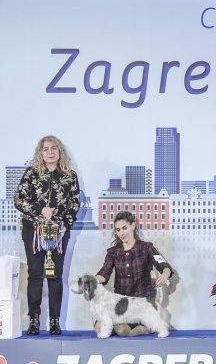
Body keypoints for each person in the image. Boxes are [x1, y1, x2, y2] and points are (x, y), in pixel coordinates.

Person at [14, 135, 82, 336]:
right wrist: (39, 209)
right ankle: (34, 320)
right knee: (35, 274)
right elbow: (18, 199)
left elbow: (75, 203)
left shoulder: (70, 175)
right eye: (46, 149)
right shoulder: (31, 173)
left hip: (59, 231)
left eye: (54, 148)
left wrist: (65, 224)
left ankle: (54, 321)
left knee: (55, 275)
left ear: (60, 151)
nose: (50, 152)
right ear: (40, 153)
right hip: (33, 230)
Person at [94, 210, 174, 336]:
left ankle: (146, 327)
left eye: (124, 228)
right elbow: (104, 273)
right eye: (118, 230)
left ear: (133, 225)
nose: (121, 233)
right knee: (100, 327)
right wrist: (92, 281)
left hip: (143, 302)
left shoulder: (147, 247)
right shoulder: (113, 252)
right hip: (121, 305)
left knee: (123, 330)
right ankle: (143, 328)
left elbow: (164, 266)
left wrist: (164, 276)